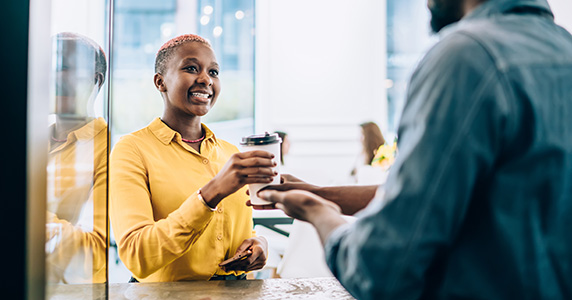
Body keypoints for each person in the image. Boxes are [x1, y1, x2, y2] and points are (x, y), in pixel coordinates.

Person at [255, 0, 572, 299]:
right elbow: (488, 197)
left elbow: (380, 268)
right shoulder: (563, 49)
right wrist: (325, 194)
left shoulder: (467, 56)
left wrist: (317, 213)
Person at [109, 34, 275, 282]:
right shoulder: (131, 150)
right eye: (191, 68)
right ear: (160, 82)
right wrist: (210, 194)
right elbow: (136, 255)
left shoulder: (230, 153)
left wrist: (258, 243)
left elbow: (238, 229)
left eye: (214, 72)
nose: (206, 79)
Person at [46, 32, 108, 283]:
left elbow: (95, 251)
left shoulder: (111, 148)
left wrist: (26, 213)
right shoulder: (29, 141)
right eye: (48, 66)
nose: (52, 75)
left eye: (64, 67)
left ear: (95, 80)